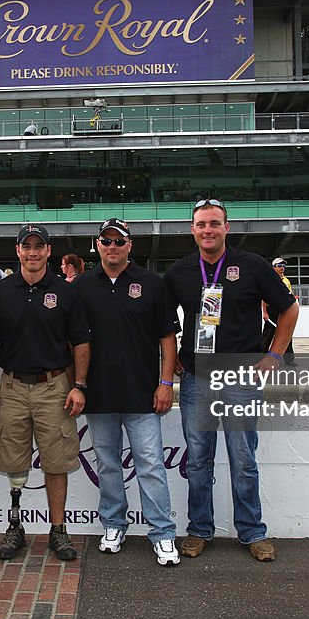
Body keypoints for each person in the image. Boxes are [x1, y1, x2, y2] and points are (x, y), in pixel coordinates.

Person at [164, 198, 299, 562]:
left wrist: (274, 354)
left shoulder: (252, 266)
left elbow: (290, 308)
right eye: (201, 224)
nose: (207, 230)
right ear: (192, 229)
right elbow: (163, 319)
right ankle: (199, 529)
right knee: (197, 461)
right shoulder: (180, 272)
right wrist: (173, 353)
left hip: (241, 376)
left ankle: (252, 532)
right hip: (196, 379)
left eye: (214, 223)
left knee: (243, 459)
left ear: (227, 227)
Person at [0, 224, 90, 562]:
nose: (32, 252)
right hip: (12, 385)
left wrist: (79, 386)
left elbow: (81, 343)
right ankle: (15, 525)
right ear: (17, 251)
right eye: (26, 246)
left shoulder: (65, 291)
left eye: (38, 246)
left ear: (48, 251)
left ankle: (58, 529)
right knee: (13, 459)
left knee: (56, 461)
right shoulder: (0, 292)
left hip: (55, 385)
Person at [74, 218, 181, 566]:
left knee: (150, 465)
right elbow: (74, 340)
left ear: (129, 245)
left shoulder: (152, 283)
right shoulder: (83, 285)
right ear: (98, 245)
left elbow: (167, 338)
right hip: (99, 395)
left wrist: (166, 384)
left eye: (119, 241)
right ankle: (113, 524)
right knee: (107, 465)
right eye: (106, 241)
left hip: (143, 395)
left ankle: (163, 533)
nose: (113, 247)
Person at [261, 257, 297, 366]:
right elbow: (263, 297)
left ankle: (289, 359)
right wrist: (265, 312)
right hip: (272, 309)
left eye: (284, 266)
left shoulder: (286, 281)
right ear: (273, 267)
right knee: (268, 334)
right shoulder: (269, 280)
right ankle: (260, 357)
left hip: (284, 310)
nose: (282, 268)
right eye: (279, 266)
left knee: (287, 334)